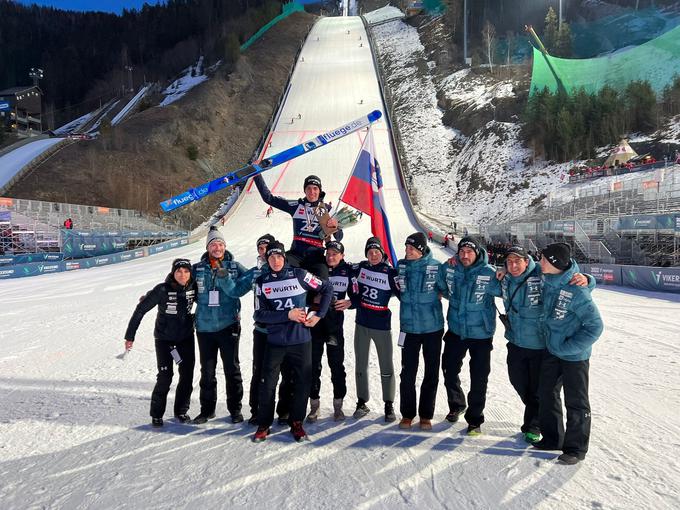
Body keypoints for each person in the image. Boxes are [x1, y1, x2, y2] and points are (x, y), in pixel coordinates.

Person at [252, 241, 333, 442]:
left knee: (302, 382)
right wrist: (287, 314)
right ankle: (264, 423)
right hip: (275, 341)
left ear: (284, 258)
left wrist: (319, 315)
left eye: (279, 257)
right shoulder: (262, 282)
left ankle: (296, 422)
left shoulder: (299, 274)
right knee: (268, 383)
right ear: (266, 259)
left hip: (301, 340)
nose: (276, 261)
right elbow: (259, 315)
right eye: (271, 257)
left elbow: (327, 288)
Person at [533, 243, 603, 465]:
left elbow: (595, 326)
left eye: (543, 259)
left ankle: (576, 448)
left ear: (554, 263)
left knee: (576, 402)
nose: (539, 262)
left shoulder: (577, 291)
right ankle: (554, 438)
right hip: (553, 350)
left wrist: (568, 347)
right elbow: (525, 268)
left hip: (574, 356)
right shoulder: (548, 277)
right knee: (546, 394)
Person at [192, 227, 254, 425]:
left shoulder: (234, 266)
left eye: (220, 244)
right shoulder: (198, 268)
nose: (217, 247)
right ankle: (207, 410)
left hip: (229, 326)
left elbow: (250, 281)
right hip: (205, 327)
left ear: (225, 246)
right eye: (213, 244)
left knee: (231, 369)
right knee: (207, 372)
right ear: (208, 248)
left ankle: (235, 410)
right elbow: (180, 284)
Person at [124, 258, 196, 427]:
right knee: (165, 377)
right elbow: (140, 310)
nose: (183, 275)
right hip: (164, 340)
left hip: (185, 338)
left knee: (187, 376)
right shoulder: (162, 290)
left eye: (186, 271)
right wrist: (130, 336)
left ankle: (181, 411)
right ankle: (157, 414)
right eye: (179, 271)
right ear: (173, 272)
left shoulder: (194, 287)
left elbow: (209, 301)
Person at [440, 236, 501, 435]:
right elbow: (441, 285)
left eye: (469, 252)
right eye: (462, 252)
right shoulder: (450, 267)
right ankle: (457, 404)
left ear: (478, 253)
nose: (465, 256)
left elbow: (508, 288)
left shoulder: (488, 273)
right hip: (456, 330)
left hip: (481, 334)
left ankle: (475, 419)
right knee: (449, 369)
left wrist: (506, 270)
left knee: (479, 377)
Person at [396, 232, 447, 431]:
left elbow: (447, 289)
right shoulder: (400, 266)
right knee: (407, 373)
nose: (407, 251)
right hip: (408, 328)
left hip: (432, 328)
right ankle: (407, 414)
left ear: (420, 249)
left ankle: (426, 415)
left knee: (431, 372)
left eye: (411, 248)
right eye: (406, 247)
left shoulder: (436, 267)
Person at [253, 173, 342, 279]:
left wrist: (335, 227)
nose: (312, 192)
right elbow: (269, 199)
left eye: (315, 188)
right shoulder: (296, 206)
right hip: (295, 255)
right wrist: (257, 175)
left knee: (323, 282)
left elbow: (339, 237)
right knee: (279, 270)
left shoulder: (327, 209)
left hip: (316, 256)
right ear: (304, 190)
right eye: (308, 188)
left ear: (320, 191)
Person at [350, 236, 400, 422]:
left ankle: (389, 403)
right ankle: (362, 401)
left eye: (376, 252)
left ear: (382, 253)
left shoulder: (390, 272)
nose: (373, 255)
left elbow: (404, 294)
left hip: (381, 326)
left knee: (386, 365)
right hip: (362, 323)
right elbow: (339, 264)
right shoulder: (360, 267)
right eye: (370, 252)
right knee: (360, 364)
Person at [248, 234, 294, 426]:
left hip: (283, 331)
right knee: (259, 372)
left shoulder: (289, 271)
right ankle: (257, 410)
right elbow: (235, 289)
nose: (264, 251)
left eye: (267, 247)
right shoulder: (255, 273)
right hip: (262, 330)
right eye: (261, 248)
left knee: (286, 371)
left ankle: (284, 409)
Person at [306, 240, 352, 423]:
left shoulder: (348, 270)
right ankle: (314, 406)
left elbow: (360, 290)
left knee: (336, 366)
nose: (331, 257)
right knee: (313, 365)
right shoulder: (317, 268)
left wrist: (351, 302)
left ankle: (338, 406)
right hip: (316, 324)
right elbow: (305, 289)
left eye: (335, 254)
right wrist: (312, 298)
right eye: (328, 254)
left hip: (334, 325)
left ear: (342, 256)